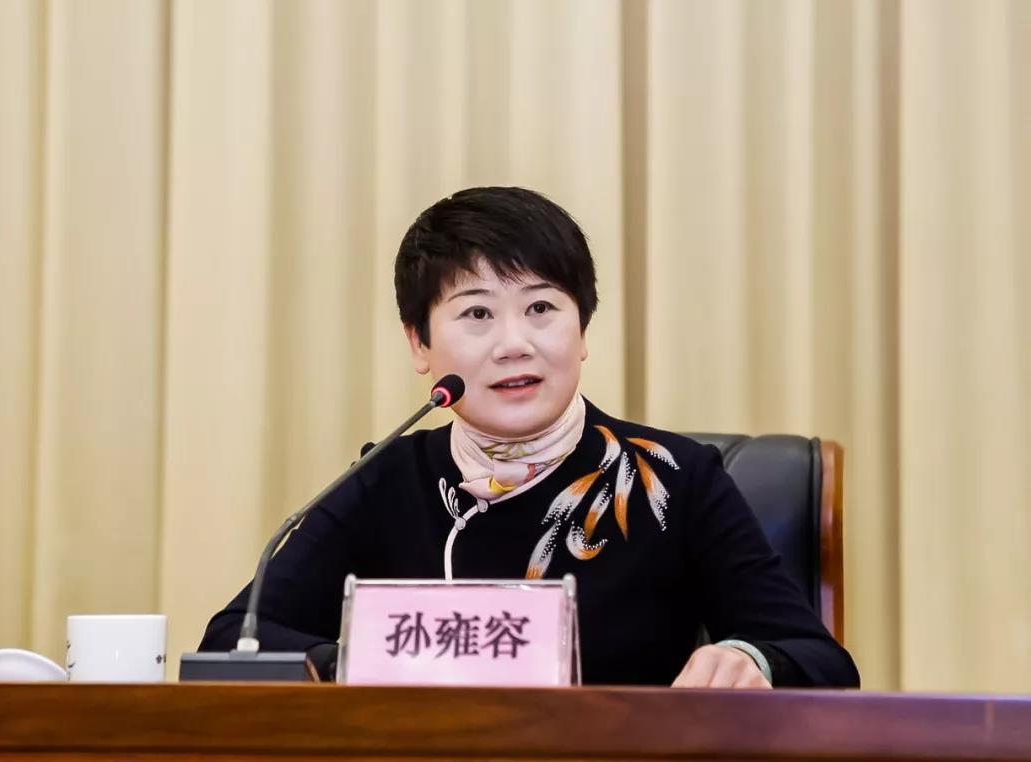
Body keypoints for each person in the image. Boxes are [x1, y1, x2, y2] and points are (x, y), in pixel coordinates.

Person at [200, 186, 860, 688]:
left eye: (541, 308)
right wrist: (362, 662)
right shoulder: (389, 479)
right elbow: (236, 638)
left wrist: (749, 660)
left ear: (582, 330)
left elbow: (821, 660)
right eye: (477, 314)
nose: (514, 344)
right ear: (419, 344)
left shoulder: (672, 478)